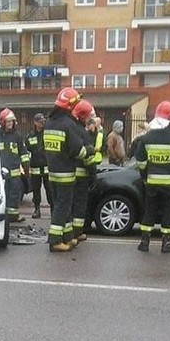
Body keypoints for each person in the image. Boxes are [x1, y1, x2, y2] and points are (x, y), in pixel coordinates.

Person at [44, 87, 95, 252]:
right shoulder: (69, 125)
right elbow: (78, 151)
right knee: (62, 207)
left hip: (52, 172)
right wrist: (89, 150)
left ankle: (67, 237)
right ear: (70, 106)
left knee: (61, 205)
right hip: (66, 173)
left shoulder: (49, 123)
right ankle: (55, 240)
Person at [135, 100, 170, 253]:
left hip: (151, 183)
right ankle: (166, 244)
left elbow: (140, 162)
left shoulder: (147, 137)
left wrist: (145, 177)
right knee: (169, 212)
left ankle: (144, 242)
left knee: (149, 211)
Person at [0, 108, 29, 223]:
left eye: (12, 121)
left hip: (15, 173)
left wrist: (26, 167)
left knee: (14, 195)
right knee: (1, 195)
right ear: (2, 122)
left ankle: (13, 216)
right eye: (8, 121)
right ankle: (1, 216)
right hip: (1, 174)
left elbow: (23, 153)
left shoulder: (17, 136)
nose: (10, 123)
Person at [71, 99, 96, 242]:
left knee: (70, 204)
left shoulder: (70, 129)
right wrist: (93, 174)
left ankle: (70, 232)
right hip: (81, 176)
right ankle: (78, 232)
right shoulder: (83, 133)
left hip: (68, 174)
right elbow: (88, 159)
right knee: (80, 204)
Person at [25, 113, 52, 219]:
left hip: (47, 166)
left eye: (43, 121)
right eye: (40, 122)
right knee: (36, 190)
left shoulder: (47, 133)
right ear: (35, 122)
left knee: (49, 190)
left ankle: (53, 209)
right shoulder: (30, 135)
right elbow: (28, 148)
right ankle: (37, 209)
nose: (42, 123)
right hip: (36, 166)